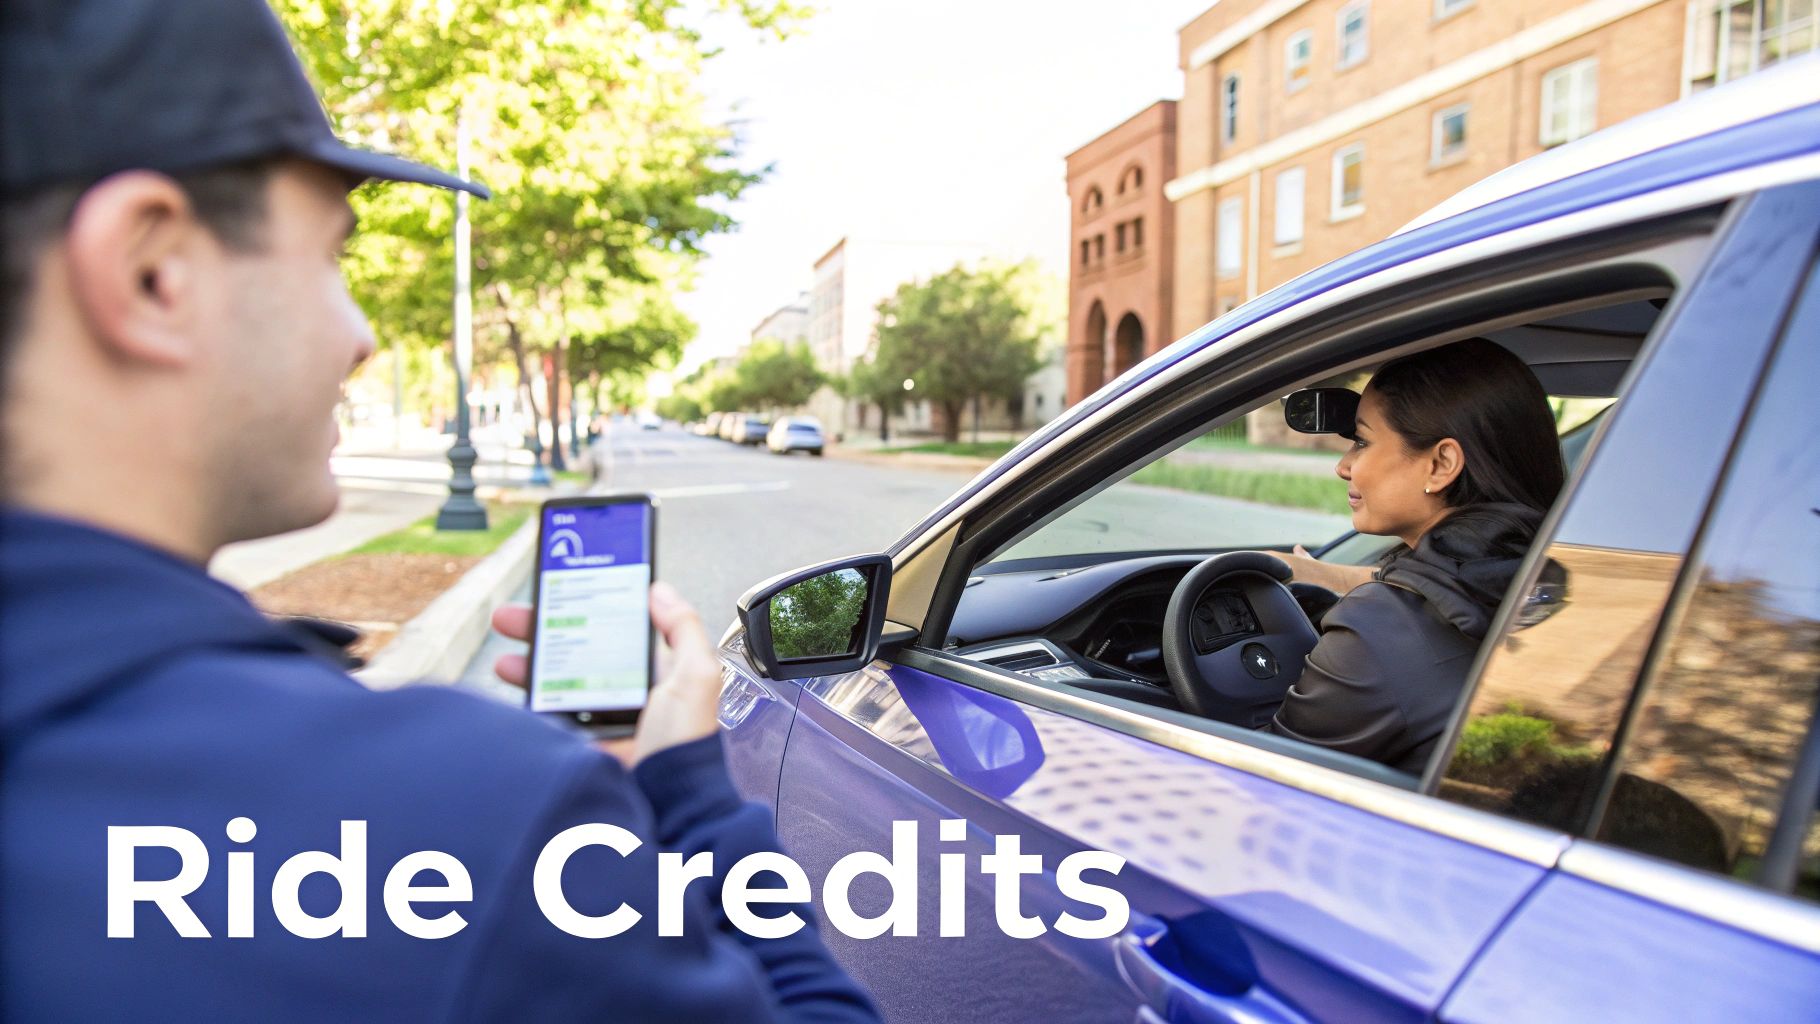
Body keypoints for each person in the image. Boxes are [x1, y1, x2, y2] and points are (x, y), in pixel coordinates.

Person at [0, 1, 876, 1020]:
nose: (362, 337)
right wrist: (688, 791)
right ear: (151, 272)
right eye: (332, 257)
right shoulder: (464, 824)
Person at [1262, 339, 1567, 773]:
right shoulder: (1554, 571)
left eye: (1362, 442)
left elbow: (1264, 779)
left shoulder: (1375, 633)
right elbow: (1442, 581)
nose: (1344, 466)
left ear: (1441, 465)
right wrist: (1322, 574)